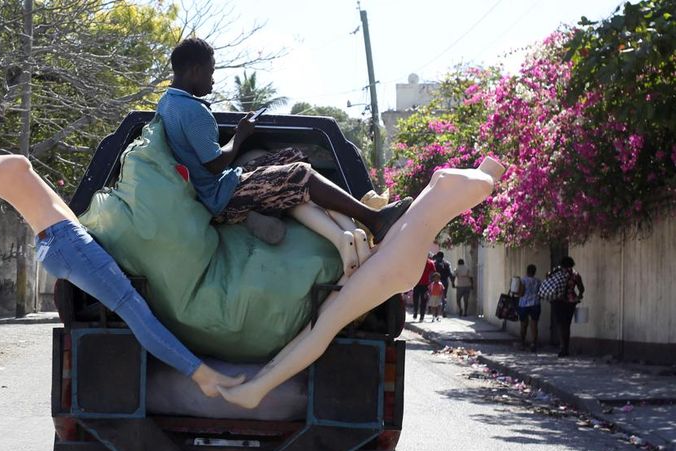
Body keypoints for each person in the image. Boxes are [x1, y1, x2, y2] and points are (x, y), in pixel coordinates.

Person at [219, 157, 506, 409]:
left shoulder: (482, 182)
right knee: (319, 321)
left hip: (397, 259)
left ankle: (258, 389)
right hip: (394, 248)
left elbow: (458, 190)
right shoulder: (471, 177)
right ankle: (263, 377)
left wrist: (485, 174)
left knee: (326, 324)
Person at [0, 142, 244, 398]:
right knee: (134, 310)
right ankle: (201, 374)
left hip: (57, 241)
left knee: (133, 308)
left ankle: (197, 371)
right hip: (66, 240)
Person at [156, 37, 412, 275]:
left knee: (292, 155)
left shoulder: (167, 103)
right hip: (219, 198)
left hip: (214, 189)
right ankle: (374, 219)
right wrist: (240, 134)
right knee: (300, 173)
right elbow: (215, 164)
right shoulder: (193, 112)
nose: (212, 80)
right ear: (194, 70)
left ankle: (304, 210)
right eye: (211, 72)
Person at [549, 256, 585, 357]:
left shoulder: (557, 272)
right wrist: (579, 296)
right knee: (567, 325)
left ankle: (562, 348)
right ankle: (566, 348)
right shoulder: (575, 274)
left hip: (558, 301)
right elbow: (581, 288)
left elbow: (550, 283)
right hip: (570, 301)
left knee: (560, 325)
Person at [516, 264, 541, 352]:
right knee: (534, 324)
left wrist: (517, 293)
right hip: (535, 304)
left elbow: (521, 293)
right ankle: (534, 343)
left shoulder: (523, 280)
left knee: (523, 324)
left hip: (524, 305)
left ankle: (522, 343)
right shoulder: (538, 281)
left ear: (527, 271)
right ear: (534, 271)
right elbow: (540, 292)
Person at [411, 255, 436, 323]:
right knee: (423, 301)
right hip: (425, 285)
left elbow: (412, 271)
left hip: (417, 283)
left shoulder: (417, 262)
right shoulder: (431, 262)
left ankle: (415, 311)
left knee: (415, 299)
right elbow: (433, 273)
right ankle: (421, 316)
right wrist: (431, 283)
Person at [432, 251, 452, 317]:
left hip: (435, 282)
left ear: (437, 256)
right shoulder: (447, 264)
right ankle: (444, 309)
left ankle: (436, 311)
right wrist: (453, 283)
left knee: (435, 296)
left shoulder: (434, 263)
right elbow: (450, 274)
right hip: (445, 282)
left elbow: (431, 274)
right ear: (443, 256)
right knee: (444, 296)